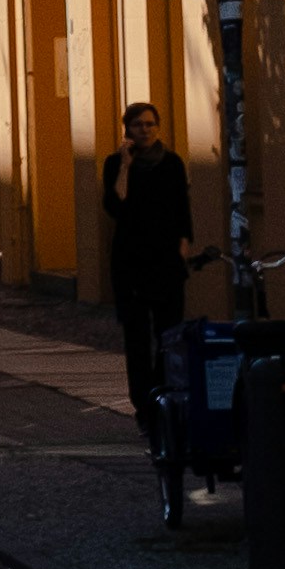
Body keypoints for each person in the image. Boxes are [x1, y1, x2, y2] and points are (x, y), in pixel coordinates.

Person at [103, 98, 205, 437]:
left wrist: (183, 246)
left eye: (150, 124)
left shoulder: (172, 163)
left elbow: (182, 208)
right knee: (136, 338)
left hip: (165, 260)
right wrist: (125, 165)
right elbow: (115, 205)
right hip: (130, 261)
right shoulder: (115, 163)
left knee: (168, 334)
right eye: (138, 125)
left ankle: (164, 397)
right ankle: (143, 405)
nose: (145, 130)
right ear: (127, 130)